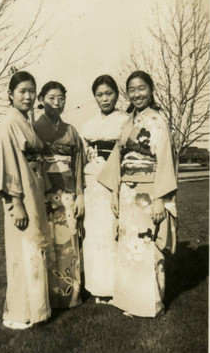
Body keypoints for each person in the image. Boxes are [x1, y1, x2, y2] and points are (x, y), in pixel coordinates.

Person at [98, 71, 177, 317]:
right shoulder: (127, 122)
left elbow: (165, 160)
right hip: (126, 190)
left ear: (151, 90)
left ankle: (150, 303)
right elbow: (117, 159)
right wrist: (114, 194)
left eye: (141, 88)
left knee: (146, 244)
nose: (137, 94)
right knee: (128, 245)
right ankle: (129, 300)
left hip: (148, 190)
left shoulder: (158, 121)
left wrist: (160, 199)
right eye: (132, 90)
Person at [0, 71, 51, 330]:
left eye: (32, 91)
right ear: (10, 95)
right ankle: (19, 312)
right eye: (22, 91)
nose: (28, 97)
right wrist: (16, 202)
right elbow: (8, 165)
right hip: (21, 195)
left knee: (33, 247)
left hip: (34, 189)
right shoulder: (8, 123)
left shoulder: (25, 121)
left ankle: (37, 309)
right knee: (21, 249)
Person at [33, 81, 85, 309]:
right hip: (43, 194)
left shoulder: (71, 131)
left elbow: (79, 165)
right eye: (51, 98)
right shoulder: (33, 129)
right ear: (41, 99)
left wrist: (80, 194)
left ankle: (71, 295)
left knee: (68, 242)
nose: (57, 102)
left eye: (61, 98)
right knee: (47, 243)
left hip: (68, 194)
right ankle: (49, 297)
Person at [80, 75, 128, 303]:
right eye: (99, 94)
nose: (104, 98)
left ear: (117, 95)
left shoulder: (126, 121)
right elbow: (82, 149)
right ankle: (97, 286)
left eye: (109, 93)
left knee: (112, 231)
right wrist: (89, 152)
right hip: (93, 182)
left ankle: (115, 286)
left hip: (114, 180)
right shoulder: (89, 124)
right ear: (95, 97)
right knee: (95, 232)